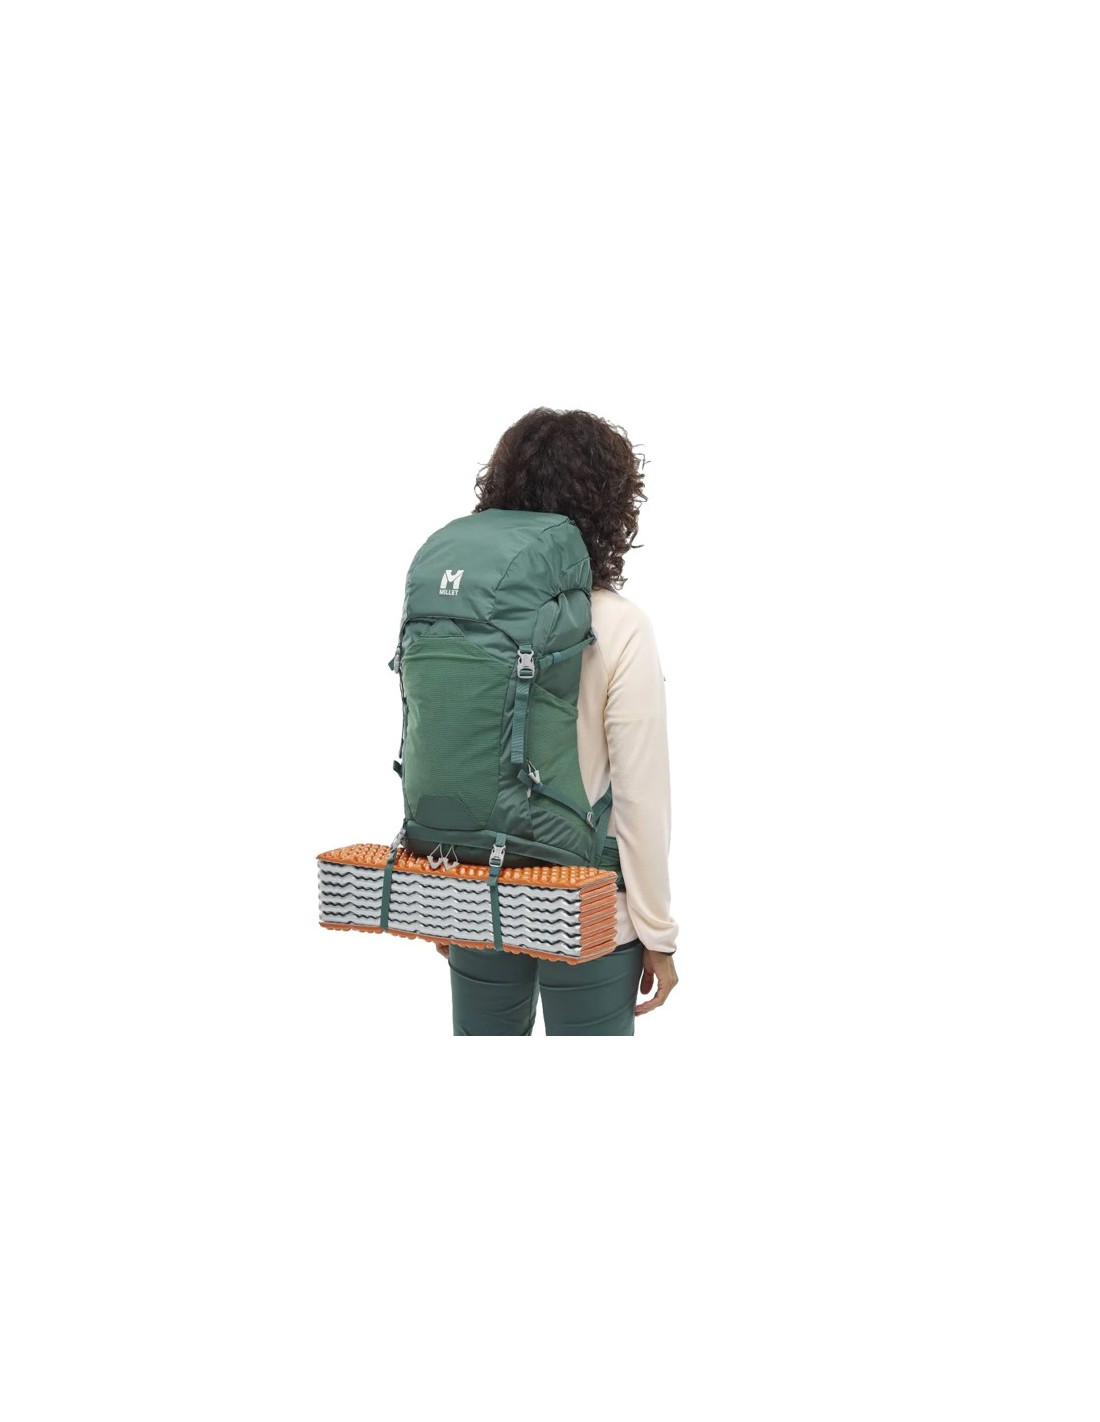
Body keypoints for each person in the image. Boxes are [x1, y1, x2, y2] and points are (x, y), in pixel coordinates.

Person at [438, 407, 680, 1035]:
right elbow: (641, 797)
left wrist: (446, 898)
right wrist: (657, 932)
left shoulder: (464, 617)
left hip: (477, 889)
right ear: (610, 508)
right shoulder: (620, 625)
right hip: (586, 903)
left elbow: (440, 739)